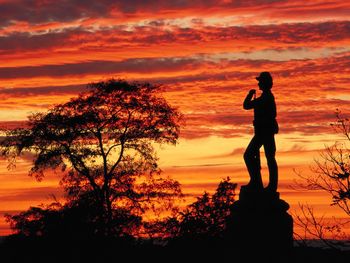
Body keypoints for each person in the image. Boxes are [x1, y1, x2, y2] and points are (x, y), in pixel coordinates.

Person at [243, 71, 279, 192]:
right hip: (263, 132)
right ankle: (258, 182)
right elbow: (247, 106)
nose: (258, 83)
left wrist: (249, 94)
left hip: (264, 132)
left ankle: (258, 182)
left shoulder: (266, 98)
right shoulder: (265, 97)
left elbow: (246, 105)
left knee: (249, 155)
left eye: (260, 81)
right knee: (269, 157)